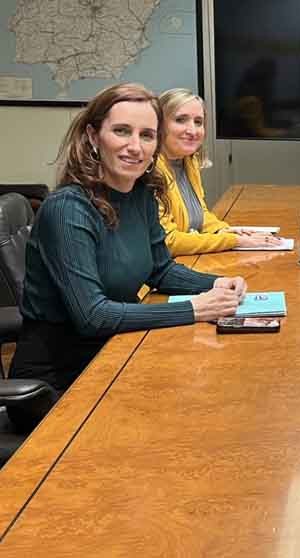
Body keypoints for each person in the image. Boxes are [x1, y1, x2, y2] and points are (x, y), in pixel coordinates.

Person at [10, 83, 247, 394]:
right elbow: (93, 316)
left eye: (147, 135)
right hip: (62, 382)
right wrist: (195, 309)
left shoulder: (141, 193)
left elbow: (160, 269)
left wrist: (217, 283)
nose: (135, 146)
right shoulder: (67, 209)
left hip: (120, 351)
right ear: (94, 136)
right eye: (122, 131)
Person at [156, 88, 278, 256]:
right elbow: (168, 241)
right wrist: (234, 241)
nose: (192, 131)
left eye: (198, 122)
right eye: (180, 120)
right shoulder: (150, 172)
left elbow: (199, 214)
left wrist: (223, 230)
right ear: (159, 125)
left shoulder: (189, 161)